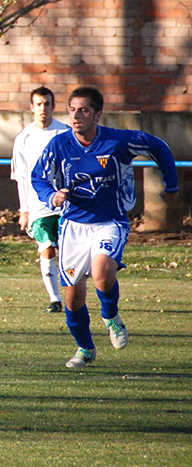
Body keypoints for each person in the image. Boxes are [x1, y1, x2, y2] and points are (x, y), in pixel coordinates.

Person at [32, 86, 179, 368]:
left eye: (84, 110)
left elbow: (159, 146)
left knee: (101, 273)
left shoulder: (117, 141)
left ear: (97, 115)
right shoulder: (59, 145)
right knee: (73, 297)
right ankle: (85, 349)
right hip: (73, 225)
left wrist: (171, 185)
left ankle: (110, 316)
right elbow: (38, 177)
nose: (76, 116)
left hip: (110, 221)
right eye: (72, 110)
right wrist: (52, 196)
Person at [11, 86, 70, 314]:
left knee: (70, 253)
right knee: (47, 249)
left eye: (47, 104)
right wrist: (24, 210)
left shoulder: (65, 133)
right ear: (32, 107)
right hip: (39, 206)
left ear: (53, 106)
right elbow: (22, 178)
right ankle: (55, 299)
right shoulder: (24, 138)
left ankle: (74, 294)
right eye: (39, 104)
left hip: (66, 205)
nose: (43, 108)